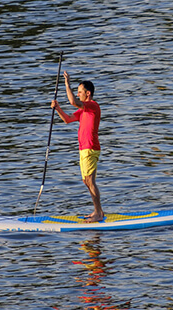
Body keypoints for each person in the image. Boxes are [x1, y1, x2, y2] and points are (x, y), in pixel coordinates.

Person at [51, 71, 104, 222]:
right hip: (83, 149)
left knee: (90, 180)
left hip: (90, 147)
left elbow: (73, 101)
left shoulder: (92, 106)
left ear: (87, 94)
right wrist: (57, 108)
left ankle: (98, 213)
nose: (78, 94)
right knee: (86, 181)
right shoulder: (83, 110)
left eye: (80, 92)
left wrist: (67, 84)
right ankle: (98, 211)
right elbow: (68, 119)